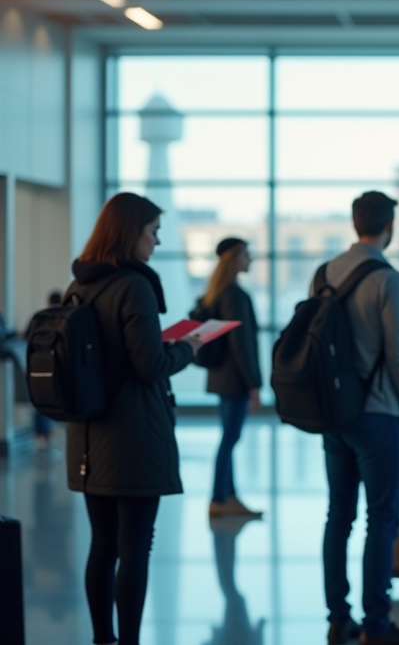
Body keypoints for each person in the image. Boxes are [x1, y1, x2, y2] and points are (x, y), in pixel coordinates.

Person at [66, 192, 204, 645]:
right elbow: (150, 367)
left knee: (102, 546)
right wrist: (189, 347)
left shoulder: (80, 285)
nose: (157, 242)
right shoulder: (134, 285)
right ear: (131, 233)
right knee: (134, 549)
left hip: (88, 435)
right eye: (153, 231)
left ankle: (102, 639)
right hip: (133, 438)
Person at [317, 191, 399, 645]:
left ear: (353, 222)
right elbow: (397, 351)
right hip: (377, 413)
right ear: (389, 226)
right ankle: (377, 626)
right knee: (381, 519)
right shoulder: (388, 278)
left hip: (333, 414)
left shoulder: (323, 273)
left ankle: (337, 618)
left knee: (337, 516)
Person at [197, 237, 263, 519]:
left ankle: (229, 496)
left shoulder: (216, 294)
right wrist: (253, 385)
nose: (250, 260)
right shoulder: (235, 296)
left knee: (229, 437)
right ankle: (218, 497)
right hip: (235, 380)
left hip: (220, 377)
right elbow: (242, 344)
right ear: (234, 259)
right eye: (247, 255)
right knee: (229, 439)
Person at [32, 291, 63, 449]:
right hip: (56, 366)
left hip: (38, 367)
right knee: (52, 402)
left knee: (41, 402)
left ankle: (42, 437)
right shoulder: (63, 318)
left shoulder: (40, 317)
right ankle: (47, 437)